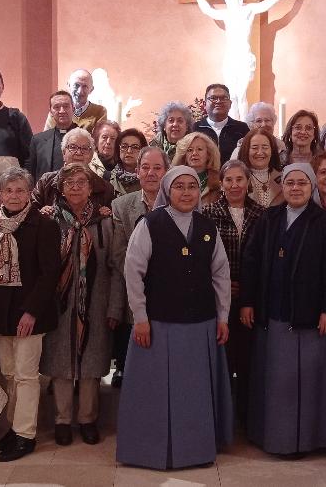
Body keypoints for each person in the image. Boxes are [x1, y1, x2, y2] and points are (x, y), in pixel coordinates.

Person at [116, 165, 233, 469]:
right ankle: (149, 450)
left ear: (199, 191)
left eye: (191, 186)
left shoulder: (208, 227)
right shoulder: (150, 224)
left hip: (201, 325)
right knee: (154, 395)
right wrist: (140, 317)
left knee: (193, 394)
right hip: (158, 325)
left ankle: (196, 449)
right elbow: (133, 273)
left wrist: (223, 317)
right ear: (168, 190)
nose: (185, 192)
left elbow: (221, 275)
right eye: (179, 186)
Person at [240, 163, 326, 459]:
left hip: (310, 321)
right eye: (290, 182)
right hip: (273, 318)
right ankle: (275, 438)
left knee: (305, 387)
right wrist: (247, 301)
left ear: (312, 187)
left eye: (301, 183)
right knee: (277, 385)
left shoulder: (325, 223)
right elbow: (251, 262)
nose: (295, 188)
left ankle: (307, 440)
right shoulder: (269, 219)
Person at [0, 167, 62, 462]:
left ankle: (25, 436)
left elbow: (50, 274)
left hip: (29, 315)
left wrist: (31, 312)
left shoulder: (44, 225)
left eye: (20, 190)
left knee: (25, 376)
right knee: (8, 374)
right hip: (0, 314)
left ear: (29, 194)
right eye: (9, 190)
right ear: (0, 194)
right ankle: (13, 429)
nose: (14, 196)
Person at [40, 163, 125, 447]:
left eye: (81, 182)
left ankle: (88, 419)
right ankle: (62, 420)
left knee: (90, 366)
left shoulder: (106, 222)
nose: (75, 187)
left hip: (96, 305)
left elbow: (116, 268)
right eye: (70, 183)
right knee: (61, 363)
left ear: (91, 189)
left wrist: (114, 307)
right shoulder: (50, 221)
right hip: (59, 306)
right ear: (61, 189)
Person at [204, 160, 265, 427]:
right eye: (229, 180)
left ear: (248, 182)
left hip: (252, 297)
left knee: (250, 359)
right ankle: (223, 419)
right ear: (221, 183)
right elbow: (204, 258)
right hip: (220, 295)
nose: (235, 185)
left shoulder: (262, 214)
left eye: (240, 179)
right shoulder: (208, 213)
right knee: (224, 359)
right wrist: (224, 283)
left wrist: (248, 287)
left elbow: (264, 258)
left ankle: (248, 418)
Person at [109, 146, 169, 388]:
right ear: (137, 172)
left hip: (170, 293)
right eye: (145, 167)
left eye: (157, 168)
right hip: (133, 290)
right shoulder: (121, 205)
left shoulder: (180, 203)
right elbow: (118, 253)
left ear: (167, 172)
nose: (151, 173)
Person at [30, 128, 115, 211]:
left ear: (91, 155)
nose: (78, 153)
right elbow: (29, 211)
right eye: (73, 147)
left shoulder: (105, 188)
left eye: (85, 148)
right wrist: (40, 215)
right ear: (63, 153)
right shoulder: (46, 182)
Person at [193, 84, 250, 165]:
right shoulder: (195, 128)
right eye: (213, 98)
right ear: (205, 104)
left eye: (223, 98)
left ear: (230, 104)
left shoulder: (242, 129)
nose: (218, 101)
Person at [27, 91, 75, 182]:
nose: (62, 111)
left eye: (66, 106)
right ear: (51, 112)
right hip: (46, 194)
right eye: (56, 107)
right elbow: (31, 174)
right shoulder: (38, 140)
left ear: (73, 108)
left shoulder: (86, 138)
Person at [172, 132, 222, 207]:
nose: (194, 153)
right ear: (184, 155)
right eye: (190, 150)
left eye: (199, 149)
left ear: (208, 154)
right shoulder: (174, 180)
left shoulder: (219, 182)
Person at [237, 128, 283, 207]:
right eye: (254, 148)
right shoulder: (237, 178)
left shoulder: (283, 178)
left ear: (272, 150)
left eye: (265, 147)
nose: (260, 152)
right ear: (246, 150)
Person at [111, 128, 148, 196]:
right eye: (124, 146)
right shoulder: (108, 178)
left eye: (135, 147)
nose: (129, 151)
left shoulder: (149, 179)